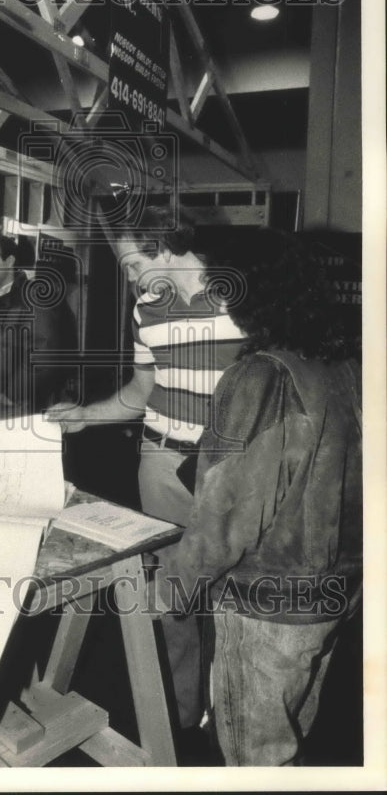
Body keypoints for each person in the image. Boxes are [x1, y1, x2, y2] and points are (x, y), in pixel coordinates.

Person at [151, 228, 362, 765]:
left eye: (223, 288)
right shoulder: (344, 366)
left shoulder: (262, 375)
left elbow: (228, 516)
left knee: (252, 757)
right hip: (334, 594)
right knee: (290, 739)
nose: (219, 300)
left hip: (269, 605)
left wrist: (174, 588)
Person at [46, 206, 245, 731]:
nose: (130, 279)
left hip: (228, 470)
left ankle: (233, 718)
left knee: (233, 599)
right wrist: (85, 416)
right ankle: (182, 724)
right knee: (172, 603)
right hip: (158, 463)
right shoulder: (146, 311)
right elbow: (140, 392)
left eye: (133, 264)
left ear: (164, 242)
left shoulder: (243, 299)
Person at [0, 235, 77, 424]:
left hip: (13, 412)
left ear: (9, 261)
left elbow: (43, 354)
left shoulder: (32, 301)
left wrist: (12, 394)